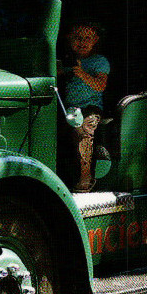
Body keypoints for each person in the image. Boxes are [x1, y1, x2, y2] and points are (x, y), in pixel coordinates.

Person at [59, 21, 110, 193]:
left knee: (85, 131)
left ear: (95, 40)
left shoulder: (99, 61)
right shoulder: (68, 60)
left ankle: (86, 179)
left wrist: (81, 73)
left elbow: (100, 85)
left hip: (91, 108)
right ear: (69, 39)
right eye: (77, 37)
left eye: (87, 37)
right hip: (69, 109)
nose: (82, 41)